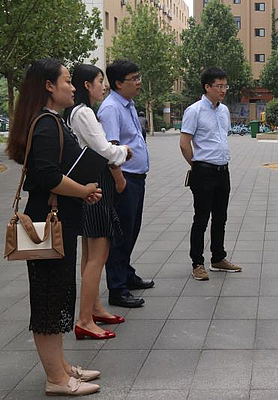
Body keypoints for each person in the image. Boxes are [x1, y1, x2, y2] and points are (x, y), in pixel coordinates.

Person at [6, 59, 102, 396]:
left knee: (58, 296)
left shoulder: (51, 120)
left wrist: (81, 191)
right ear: (49, 86)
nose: (73, 87)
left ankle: (61, 367)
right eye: (67, 81)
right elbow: (48, 176)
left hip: (58, 220)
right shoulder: (46, 124)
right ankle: (56, 379)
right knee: (49, 301)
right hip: (48, 224)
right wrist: (83, 190)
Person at [65, 64, 132, 339]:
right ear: (87, 85)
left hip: (87, 183)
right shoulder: (84, 113)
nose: (103, 86)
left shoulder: (75, 112)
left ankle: (93, 308)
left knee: (90, 254)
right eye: (99, 81)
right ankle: (84, 319)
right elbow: (104, 150)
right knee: (98, 255)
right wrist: (124, 151)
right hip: (96, 184)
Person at [98, 60, 154, 308]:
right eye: (134, 78)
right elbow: (111, 149)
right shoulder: (111, 108)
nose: (139, 82)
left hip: (136, 178)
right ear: (119, 83)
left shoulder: (127, 104)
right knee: (120, 235)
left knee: (131, 230)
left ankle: (126, 274)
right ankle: (117, 288)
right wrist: (120, 181)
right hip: (124, 180)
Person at [180, 67, 242, 280]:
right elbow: (184, 143)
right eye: (219, 86)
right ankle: (197, 263)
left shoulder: (224, 111)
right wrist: (196, 165)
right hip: (203, 171)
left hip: (223, 171)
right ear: (207, 87)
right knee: (201, 218)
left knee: (220, 217)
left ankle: (218, 258)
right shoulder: (194, 111)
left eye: (225, 86)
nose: (223, 90)